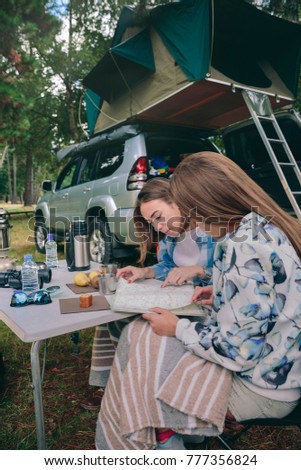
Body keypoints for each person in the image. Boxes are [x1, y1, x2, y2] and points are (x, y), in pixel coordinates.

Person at [95, 152, 301, 450]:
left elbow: (238, 352)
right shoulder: (263, 227)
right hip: (282, 369)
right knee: (142, 341)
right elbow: (266, 301)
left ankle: (153, 441)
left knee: (143, 397)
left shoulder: (238, 248)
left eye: (187, 211)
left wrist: (178, 328)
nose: (189, 221)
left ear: (203, 204)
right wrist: (220, 293)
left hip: (264, 387)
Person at [81, 177, 215, 410]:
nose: (158, 228)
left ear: (178, 201)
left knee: (140, 325)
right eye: (151, 222)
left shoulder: (213, 232)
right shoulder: (171, 238)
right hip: (177, 297)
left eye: (159, 218)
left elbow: (234, 276)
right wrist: (143, 271)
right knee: (111, 317)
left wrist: (201, 271)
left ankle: (138, 386)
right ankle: (110, 384)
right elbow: (165, 267)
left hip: (204, 306)